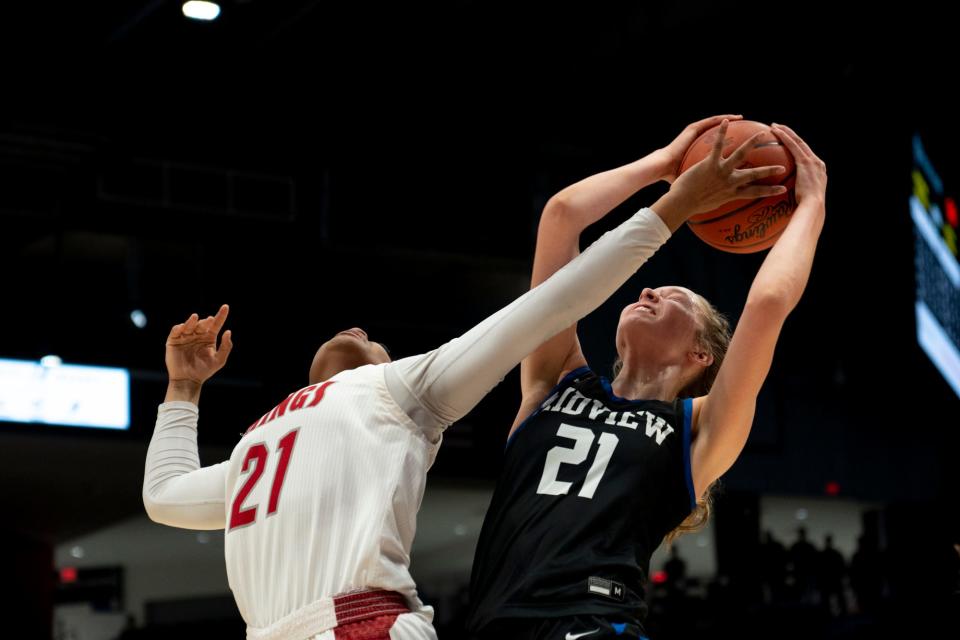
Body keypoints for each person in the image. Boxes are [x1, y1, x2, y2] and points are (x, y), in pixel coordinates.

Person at [141, 114, 776, 640]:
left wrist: (675, 203)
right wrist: (183, 391)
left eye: (374, 339)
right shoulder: (262, 443)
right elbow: (164, 497)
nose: (359, 330)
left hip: (364, 625)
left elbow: (553, 301)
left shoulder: (402, 393)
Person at [466, 121, 827, 640]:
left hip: (593, 625)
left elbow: (768, 303)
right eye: (652, 289)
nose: (651, 289)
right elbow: (562, 217)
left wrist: (811, 205)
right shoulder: (552, 380)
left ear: (701, 354)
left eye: (678, 298)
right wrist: (664, 164)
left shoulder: (697, 430)